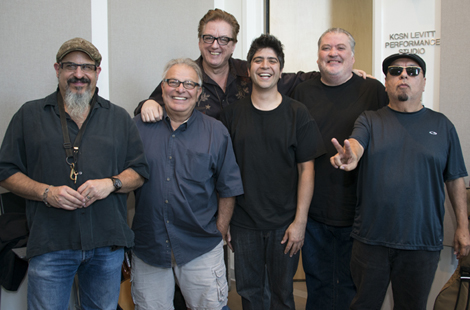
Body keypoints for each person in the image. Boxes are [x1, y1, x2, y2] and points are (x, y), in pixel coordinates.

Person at [0, 37, 149, 309]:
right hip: (51, 243)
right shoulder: (29, 115)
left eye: (87, 67)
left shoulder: (119, 117)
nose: (78, 74)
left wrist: (111, 183)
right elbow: (5, 170)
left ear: (97, 72)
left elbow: (139, 172)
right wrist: (45, 193)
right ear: (57, 69)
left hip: (107, 243)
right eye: (71, 66)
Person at [330, 53, 470, 310]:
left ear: (424, 82)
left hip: (421, 241)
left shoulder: (442, 126)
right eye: (395, 71)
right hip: (371, 240)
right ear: (386, 83)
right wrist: (350, 156)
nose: (403, 75)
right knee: (363, 305)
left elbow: (456, 179)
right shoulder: (369, 120)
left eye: (412, 71)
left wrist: (463, 226)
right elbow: (356, 145)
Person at [220, 34, 325, 310]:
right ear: (248, 68)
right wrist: (227, 220)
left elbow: (307, 170)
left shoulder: (297, 114)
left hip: (285, 224)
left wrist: (300, 222)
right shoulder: (230, 116)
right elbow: (222, 174)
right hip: (244, 225)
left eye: (272, 60)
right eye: (258, 60)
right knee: (250, 294)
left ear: (280, 69)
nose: (265, 66)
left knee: (282, 296)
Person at [131, 58, 244, 310]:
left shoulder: (216, 132)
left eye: (189, 84)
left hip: (201, 246)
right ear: (162, 88)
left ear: (199, 92)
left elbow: (228, 187)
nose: (180, 89)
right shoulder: (137, 128)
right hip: (149, 246)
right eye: (173, 82)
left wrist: (219, 228)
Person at [291, 28, 388, 309]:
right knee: (318, 285)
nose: (333, 53)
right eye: (326, 48)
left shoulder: (373, 90)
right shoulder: (302, 91)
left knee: (353, 288)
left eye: (341, 48)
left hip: (359, 212)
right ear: (318, 55)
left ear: (353, 56)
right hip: (315, 211)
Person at [134, 8, 369, 121]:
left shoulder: (251, 72)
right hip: (200, 177)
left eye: (224, 39)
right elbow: (156, 101)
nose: (216, 45)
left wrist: (343, 72)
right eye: (209, 38)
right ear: (200, 41)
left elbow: (300, 78)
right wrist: (147, 104)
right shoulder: (186, 78)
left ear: (234, 44)